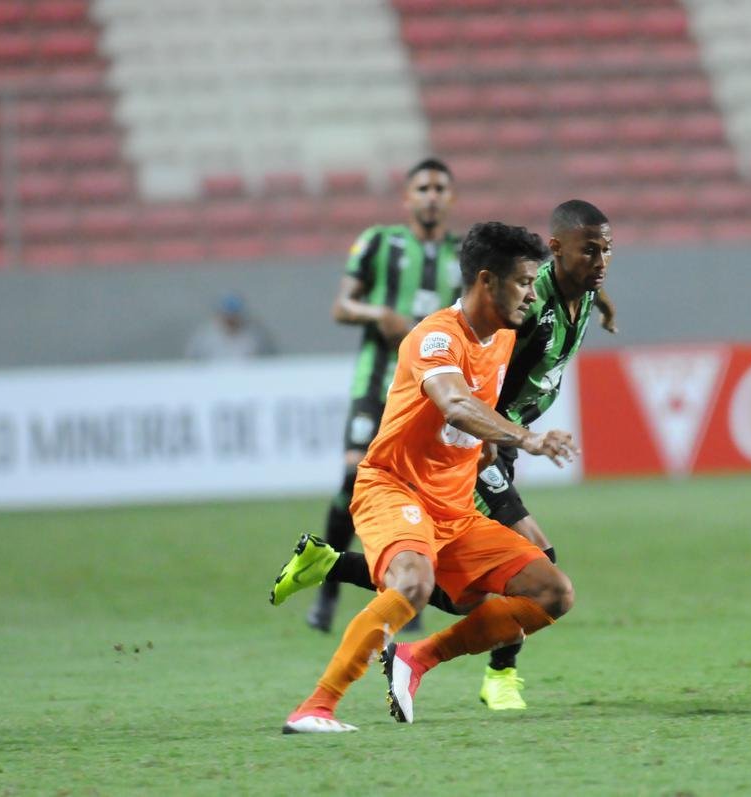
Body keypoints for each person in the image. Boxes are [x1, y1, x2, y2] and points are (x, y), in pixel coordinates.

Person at [271, 200, 615, 712]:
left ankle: (342, 573)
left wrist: (602, 300)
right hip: (474, 454)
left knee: (485, 592)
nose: (601, 261)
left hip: (479, 457)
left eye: (606, 251)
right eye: (592, 251)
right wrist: (521, 438)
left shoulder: (573, 295)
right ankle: (492, 675)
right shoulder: (501, 321)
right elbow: (458, 403)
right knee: (447, 584)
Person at [306, 158, 462, 634]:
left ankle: (406, 590)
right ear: (408, 197)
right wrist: (382, 314)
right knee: (355, 475)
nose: (431, 195)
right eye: (423, 187)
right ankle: (328, 583)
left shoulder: (466, 254)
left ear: (450, 198)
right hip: (377, 384)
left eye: (440, 188)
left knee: (420, 490)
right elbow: (341, 305)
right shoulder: (380, 242)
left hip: (431, 391)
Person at [184, 292, 276, 360]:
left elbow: (268, 361)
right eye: (227, 315)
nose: (231, 319)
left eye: (235, 315)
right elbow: (191, 361)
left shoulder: (254, 337)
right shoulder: (205, 336)